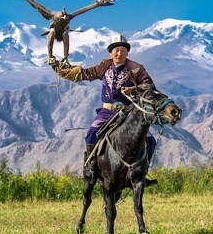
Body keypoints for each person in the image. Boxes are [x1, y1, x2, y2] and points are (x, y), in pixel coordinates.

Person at [52, 34, 158, 185]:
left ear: (127, 52)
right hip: (107, 112)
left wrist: (133, 90)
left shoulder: (136, 69)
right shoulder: (104, 66)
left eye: (122, 50)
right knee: (91, 134)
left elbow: (150, 87)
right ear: (111, 52)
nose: (119, 53)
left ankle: (142, 173)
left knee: (150, 140)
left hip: (129, 113)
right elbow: (84, 74)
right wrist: (60, 69)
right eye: (116, 50)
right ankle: (91, 168)